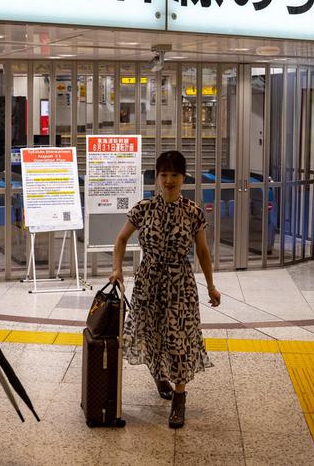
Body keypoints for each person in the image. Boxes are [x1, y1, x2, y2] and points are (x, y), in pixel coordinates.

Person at [108, 150, 221, 429]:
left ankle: (180, 398)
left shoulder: (193, 212)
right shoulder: (143, 208)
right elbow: (121, 240)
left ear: (184, 178)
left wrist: (211, 285)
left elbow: (203, 252)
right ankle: (159, 376)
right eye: (164, 175)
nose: (169, 180)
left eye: (174, 175)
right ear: (157, 177)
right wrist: (117, 269)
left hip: (180, 284)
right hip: (149, 282)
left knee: (180, 339)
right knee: (152, 334)